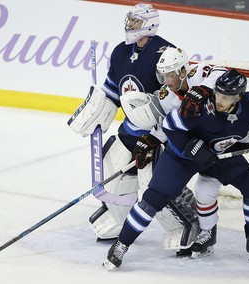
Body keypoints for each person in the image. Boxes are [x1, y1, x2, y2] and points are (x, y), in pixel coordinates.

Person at [102, 68, 249, 270]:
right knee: (152, 201)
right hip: (181, 157)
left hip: (216, 156)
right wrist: (190, 147)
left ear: (238, 97)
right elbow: (170, 126)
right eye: (218, 94)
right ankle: (121, 245)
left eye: (226, 97)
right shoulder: (199, 108)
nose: (219, 100)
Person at [68, 3, 181, 242]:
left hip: (158, 135)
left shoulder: (164, 53)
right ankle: (120, 221)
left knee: (153, 185)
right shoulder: (121, 52)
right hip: (130, 131)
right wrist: (97, 111)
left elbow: (175, 96)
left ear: (150, 23)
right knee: (113, 169)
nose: (131, 25)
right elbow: (112, 91)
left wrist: (157, 122)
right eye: (130, 20)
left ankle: (182, 225)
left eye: (136, 22)